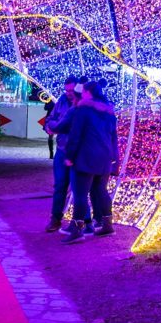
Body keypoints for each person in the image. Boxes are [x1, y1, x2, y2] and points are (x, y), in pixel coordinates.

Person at [62, 80, 118, 244]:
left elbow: (75, 135)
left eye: (84, 91)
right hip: (105, 157)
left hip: (86, 157)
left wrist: (69, 156)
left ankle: (77, 229)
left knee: (80, 193)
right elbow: (113, 137)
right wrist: (115, 158)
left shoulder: (83, 109)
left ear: (88, 93)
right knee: (101, 191)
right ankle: (107, 224)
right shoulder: (109, 112)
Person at [44, 78, 89, 232]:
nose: (69, 94)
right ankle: (56, 219)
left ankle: (84, 222)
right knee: (59, 186)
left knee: (79, 189)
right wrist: (49, 127)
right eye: (66, 90)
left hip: (78, 151)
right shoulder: (62, 101)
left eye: (71, 91)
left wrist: (57, 126)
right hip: (62, 150)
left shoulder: (84, 104)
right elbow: (50, 119)